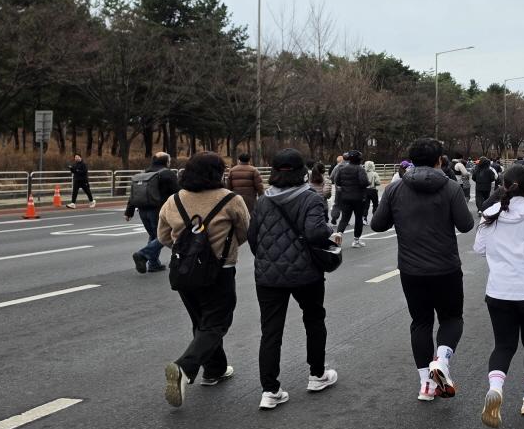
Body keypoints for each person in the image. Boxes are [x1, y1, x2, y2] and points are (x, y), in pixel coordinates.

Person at [370, 138, 475, 400]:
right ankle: (442, 359)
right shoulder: (450, 188)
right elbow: (465, 225)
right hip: (446, 267)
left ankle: (426, 385)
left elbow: (377, 225)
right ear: (440, 160)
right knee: (451, 318)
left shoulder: (395, 189)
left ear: (411, 160)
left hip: (411, 269)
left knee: (420, 322)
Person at [156, 151, 251, 407]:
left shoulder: (174, 200)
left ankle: (214, 370)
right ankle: (184, 369)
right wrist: (223, 249)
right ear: (218, 173)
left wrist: (188, 251)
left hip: (183, 271)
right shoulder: (231, 199)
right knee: (217, 322)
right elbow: (244, 232)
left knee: (202, 321)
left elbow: (164, 236)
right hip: (220, 269)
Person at [247, 148, 339, 411]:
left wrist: (268, 259)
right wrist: (330, 231)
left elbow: (253, 237)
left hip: (267, 276)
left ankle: (270, 390)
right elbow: (315, 233)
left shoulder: (263, 199)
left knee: (271, 331)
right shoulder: (311, 198)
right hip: (306, 273)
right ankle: (317, 375)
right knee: (313, 319)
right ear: (303, 171)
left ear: (274, 172)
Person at [474, 164, 524, 428]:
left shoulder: (491, 212)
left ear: (502, 186)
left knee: (503, 345)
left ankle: (496, 389)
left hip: (498, 290)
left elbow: (479, 248)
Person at [125, 152, 180, 274]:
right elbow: (178, 193)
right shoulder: (167, 174)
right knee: (164, 235)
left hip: (143, 210)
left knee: (154, 235)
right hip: (159, 211)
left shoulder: (144, 174)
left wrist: (129, 211)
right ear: (166, 162)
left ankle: (154, 264)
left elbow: (134, 194)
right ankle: (143, 254)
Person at [332, 151, 370, 248]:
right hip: (358, 198)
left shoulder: (342, 168)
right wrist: (367, 183)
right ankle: (356, 240)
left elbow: (337, 182)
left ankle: (339, 233)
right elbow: (363, 182)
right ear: (359, 160)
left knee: (344, 218)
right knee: (358, 219)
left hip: (345, 197)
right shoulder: (360, 169)